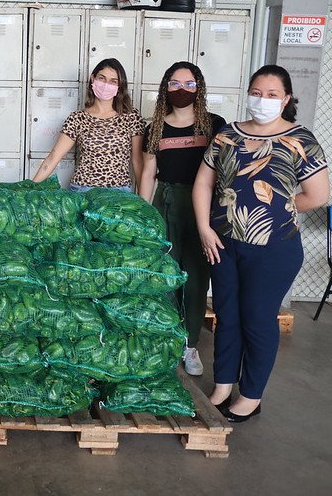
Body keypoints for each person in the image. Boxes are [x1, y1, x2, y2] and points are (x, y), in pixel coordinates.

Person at [194, 65, 328, 422]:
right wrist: (205, 228)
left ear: (286, 99)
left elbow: (317, 195)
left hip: (275, 249)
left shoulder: (301, 139)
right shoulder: (227, 135)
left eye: (271, 95)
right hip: (223, 245)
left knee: (257, 319)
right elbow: (204, 183)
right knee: (227, 315)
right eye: (256, 93)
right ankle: (223, 384)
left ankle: (251, 395)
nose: (262, 100)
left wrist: (279, 208)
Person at [139, 61, 227, 377]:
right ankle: (167, 338)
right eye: (175, 83)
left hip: (202, 207)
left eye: (189, 84)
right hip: (166, 202)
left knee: (196, 277)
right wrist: (143, 216)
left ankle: (190, 344)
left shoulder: (214, 125)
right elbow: (148, 173)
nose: (182, 89)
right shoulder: (155, 128)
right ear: (165, 88)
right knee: (165, 273)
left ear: (199, 88)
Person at [32, 57, 144, 191]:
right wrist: (29, 188)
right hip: (82, 191)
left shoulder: (131, 117)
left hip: (119, 193)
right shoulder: (77, 118)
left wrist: (143, 199)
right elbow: (53, 158)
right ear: (92, 79)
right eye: (102, 78)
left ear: (119, 87)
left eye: (113, 81)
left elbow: (138, 161)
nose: (106, 84)